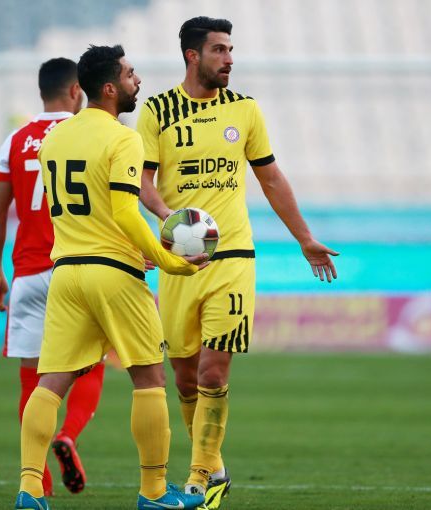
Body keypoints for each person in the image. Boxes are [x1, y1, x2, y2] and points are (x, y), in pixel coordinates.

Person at [136, 16, 338, 509]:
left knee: (212, 371)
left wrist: (305, 238)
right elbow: (141, 181)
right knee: (184, 376)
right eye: (220, 50)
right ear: (192, 56)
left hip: (232, 259)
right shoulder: (157, 111)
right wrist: (170, 220)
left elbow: (271, 178)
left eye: (231, 49)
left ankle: (200, 478)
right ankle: (217, 468)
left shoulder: (244, 109)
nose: (229, 58)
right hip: (180, 263)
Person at [14, 44, 208, 510]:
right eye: (129, 74)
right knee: (149, 378)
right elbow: (123, 211)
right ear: (108, 88)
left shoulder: (56, 138)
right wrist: (168, 261)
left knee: (50, 383)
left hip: (66, 273)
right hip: (113, 275)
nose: (137, 81)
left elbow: (85, 210)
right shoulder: (124, 139)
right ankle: (154, 492)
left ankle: (29, 489)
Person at [0, 57, 103, 497]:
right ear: (76, 91)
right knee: (93, 361)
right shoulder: (86, 133)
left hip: (28, 274)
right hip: (76, 268)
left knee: (31, 378)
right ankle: (68, 434)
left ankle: (38, 481)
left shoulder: (15, 140)